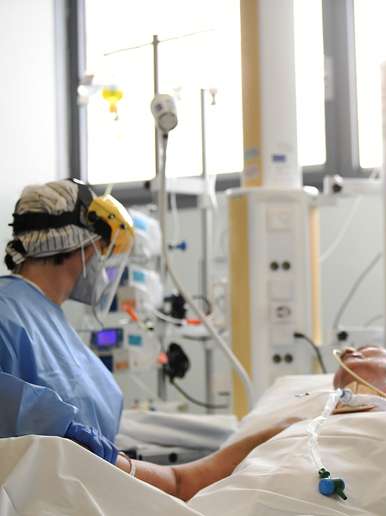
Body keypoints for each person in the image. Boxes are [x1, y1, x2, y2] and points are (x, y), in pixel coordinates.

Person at [0, 179, 297, 501]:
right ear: (81, 246)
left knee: (227, 431)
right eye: (103, 248)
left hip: (88, 479)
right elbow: (48, 435)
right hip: (65, 491)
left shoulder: (44, 314)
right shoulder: (9, 314)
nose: (103, 262)